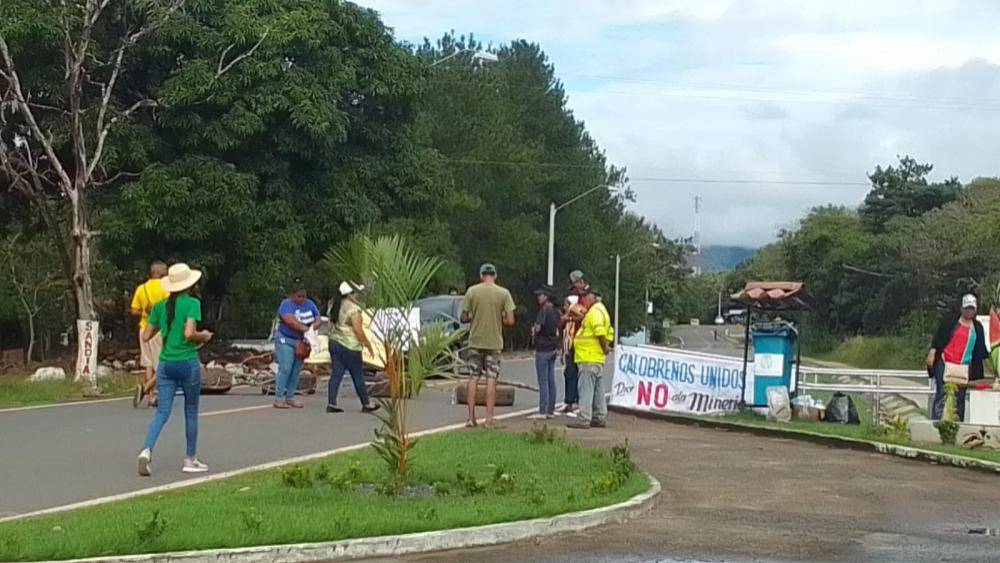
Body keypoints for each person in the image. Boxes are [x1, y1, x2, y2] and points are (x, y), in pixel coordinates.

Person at [137, 263, 213, 476]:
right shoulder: (192, 303)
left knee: (162, 412)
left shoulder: (160, 306)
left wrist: (163, 326)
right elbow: (190, 332)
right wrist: (204, 336)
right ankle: (190, 458)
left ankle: (146, 449)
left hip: (166, 363)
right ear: (189, 285)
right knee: (190, 410)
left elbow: (146, 336)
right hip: (187, 361)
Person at [462, 263, 515, 428]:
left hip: (475, 340)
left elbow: (464, 317)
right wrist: (499, 318)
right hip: (494, 342)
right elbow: (511, 320)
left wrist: (474, 316)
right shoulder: (503, 293)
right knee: (491, 378)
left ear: (481, 275)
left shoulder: (472, 291)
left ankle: (471, 418)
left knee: (473, 377)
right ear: (495, 276)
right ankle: (489, 419)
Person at [926, 294, 989, 421]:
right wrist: (932, 354)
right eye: (966, 308)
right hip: (945, 362)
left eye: (971, 308)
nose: (969, 311)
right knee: (942, 394)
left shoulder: (977, 328)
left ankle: (958, 425)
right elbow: (938, 339)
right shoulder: (950, 322)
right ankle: (936, 422)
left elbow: (980, 352)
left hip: (963, 367)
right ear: (961, 308)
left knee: (960, 398)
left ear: (975, 310)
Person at [327, 281, 381, 414]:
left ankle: (331, 402)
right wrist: (367, 344)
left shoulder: (334, 306)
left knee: (336, 373)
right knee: (357, 374)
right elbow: (358, 329)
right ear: (350, 294)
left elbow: (330, 326)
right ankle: (366, 403)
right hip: (350, 345)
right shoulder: (353, 309)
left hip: (335, 342)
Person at [567, 289, 613, 429]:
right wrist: (605, 348)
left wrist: (605, 347)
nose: (583, 301)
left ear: (592, 297)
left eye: (585, 297)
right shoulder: (600, 311)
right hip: (596, 357)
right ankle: (599, 416)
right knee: (598, 389)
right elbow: (609, 332)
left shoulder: (595, 313)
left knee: (585, 389)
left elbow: (600, 333)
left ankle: (584, 418)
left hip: (588, 356)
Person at [273, 281, 321, 409]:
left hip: (302, 341)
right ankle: (278, 397)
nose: (301, 299)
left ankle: (290, 397)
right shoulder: (286, 305)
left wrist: (313, 327)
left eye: (303, 296)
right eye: (298, 296)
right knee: (286, 368)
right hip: (285, 339)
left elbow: (318, 318)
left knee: (295, 370)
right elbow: (290, 321)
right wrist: (307, 330)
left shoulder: (310, 304)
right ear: (293, 295)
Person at [130, 261, 169, 408]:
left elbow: (134, 310)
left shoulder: (141, 289)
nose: (167, 273)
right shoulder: (165, 287)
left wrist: (144, 312)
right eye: (165, 271)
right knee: (161, 364)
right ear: (158, 273)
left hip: (143, 328)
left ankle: (151, 396)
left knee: (148, 364)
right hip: (157, 330)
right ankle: (153, 392)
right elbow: (169, 306)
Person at [528, 285, 560, 420]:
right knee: (551, 379)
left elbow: (538, 328)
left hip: (543, 349)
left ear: (546, 296)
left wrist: (533, 329)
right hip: (553, 347)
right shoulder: (556, 311)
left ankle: (543, 410)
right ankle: (551, 409)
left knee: (543, 380)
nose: (538, 297)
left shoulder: (543, 311)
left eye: (540, 295)